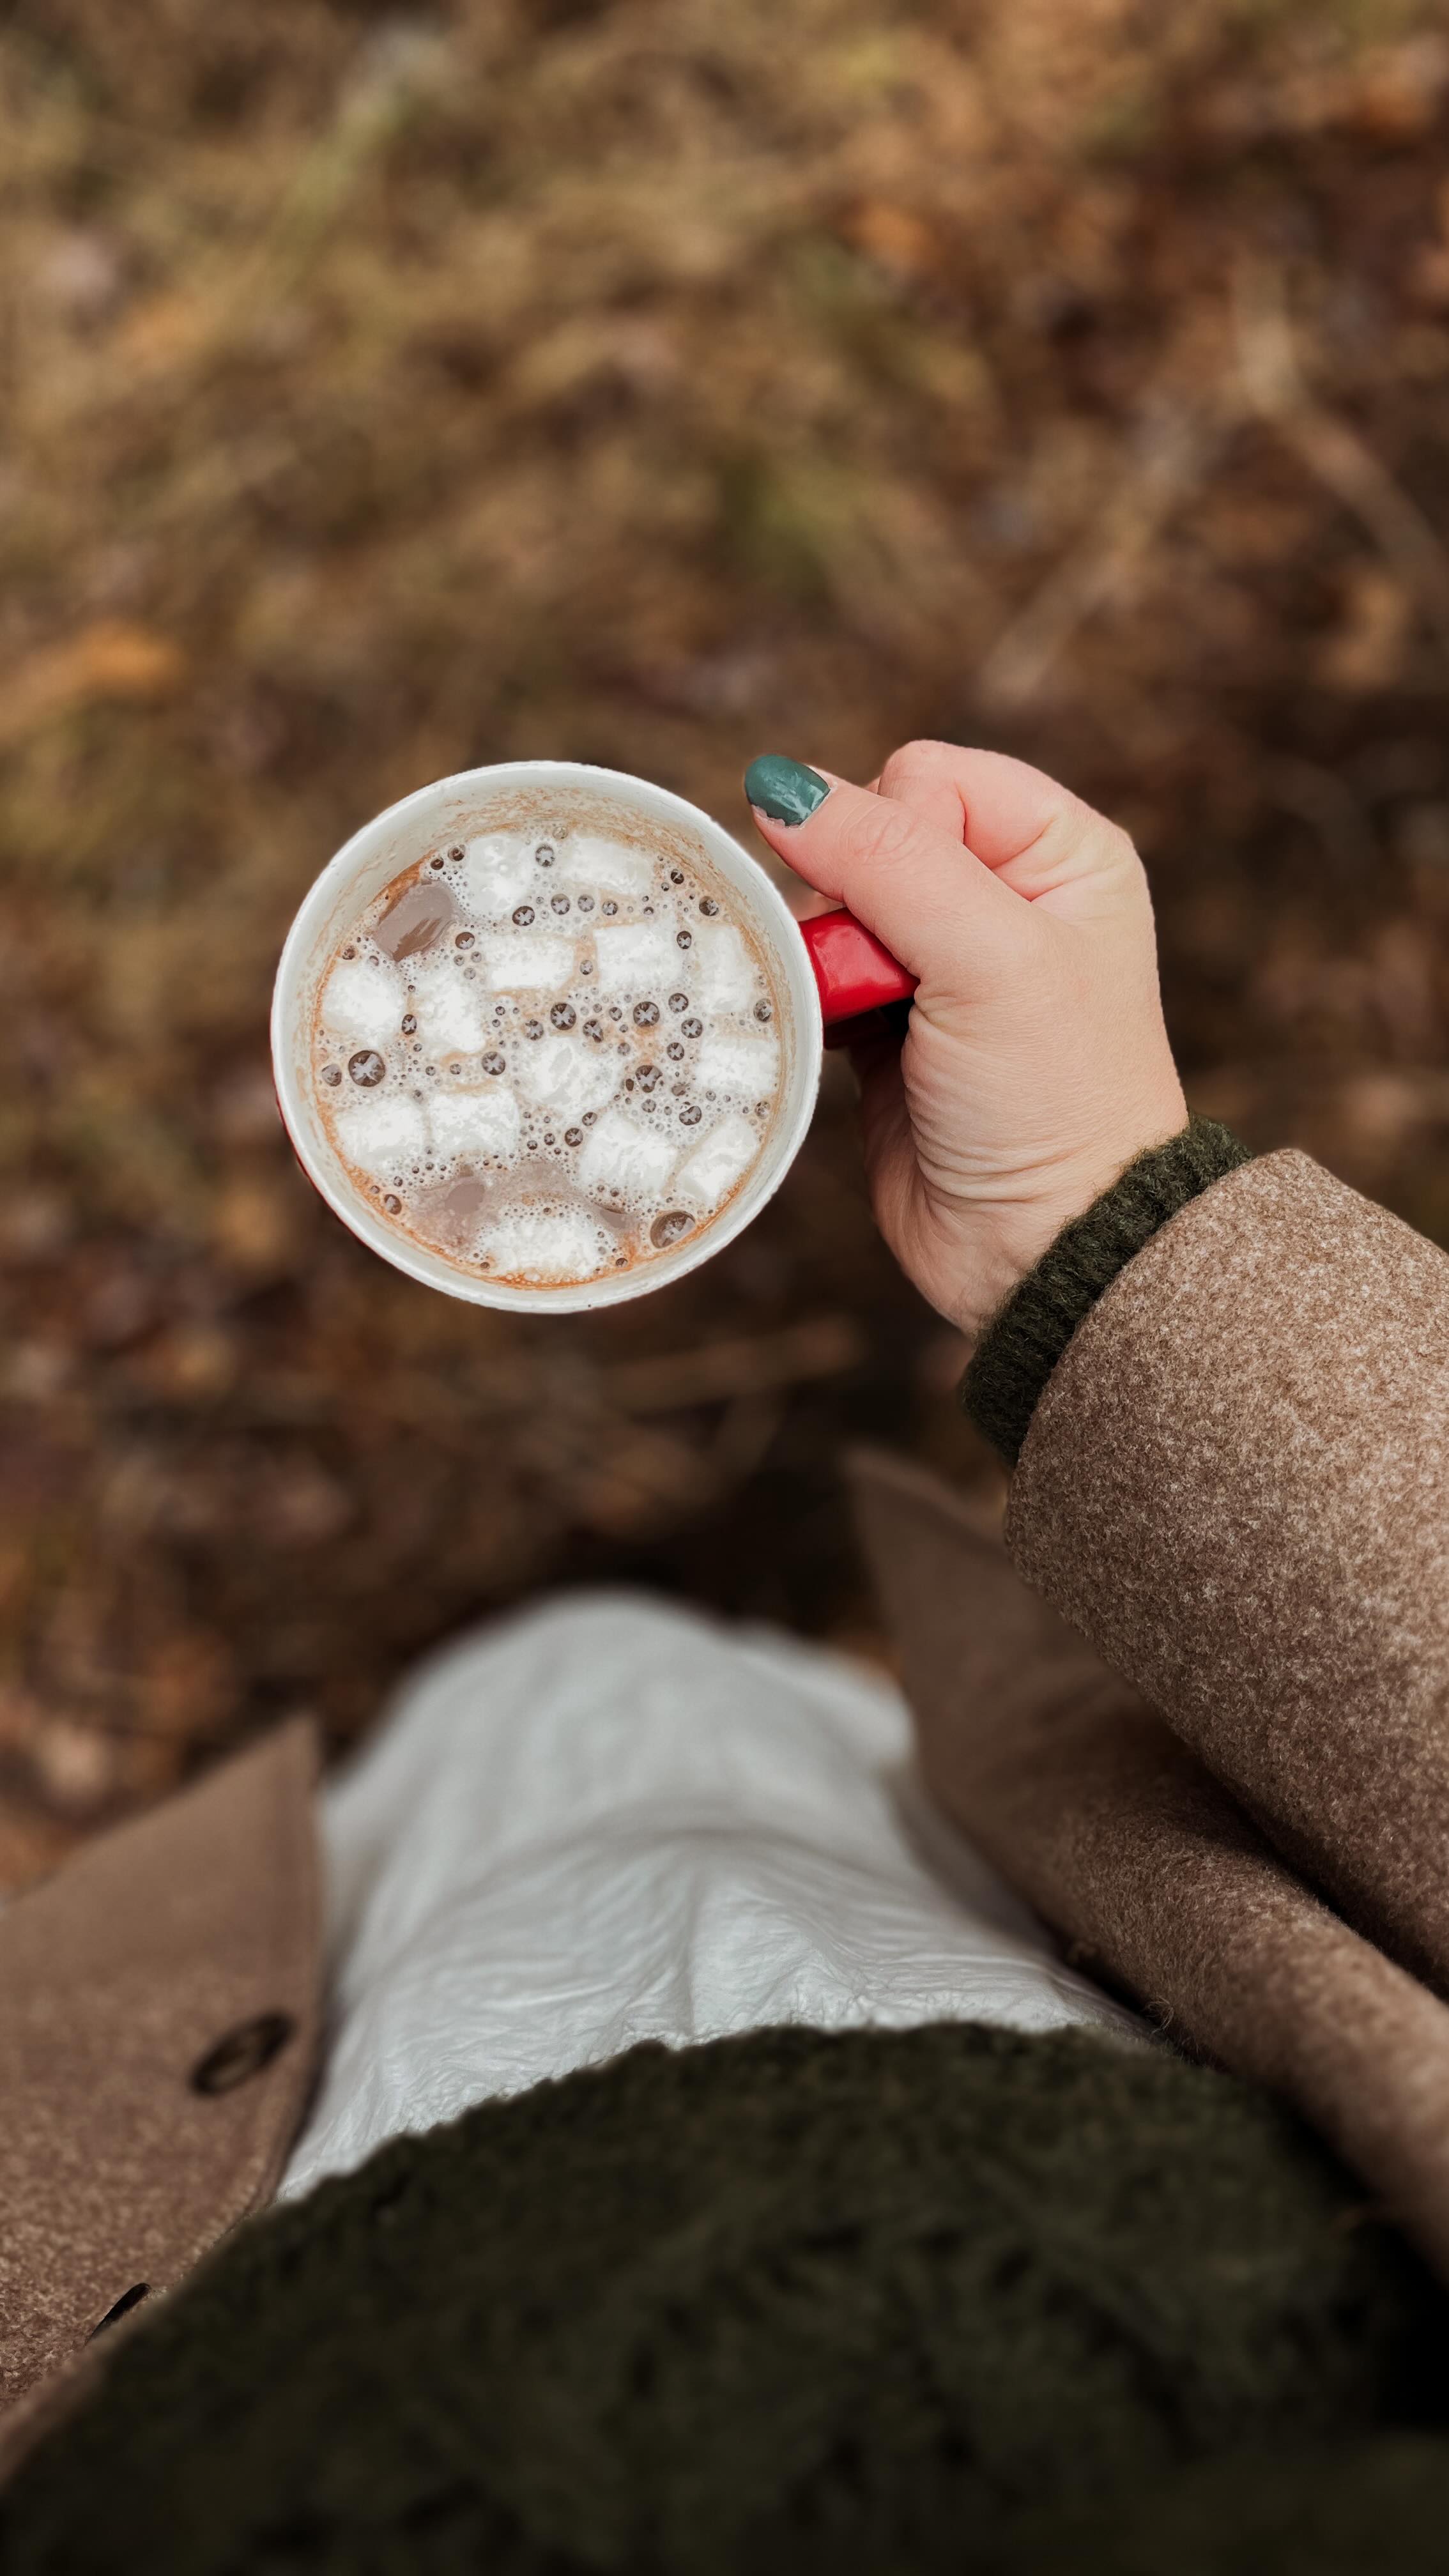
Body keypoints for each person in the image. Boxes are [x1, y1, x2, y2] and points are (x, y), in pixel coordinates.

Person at [6, 742, 1449, 2572]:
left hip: (241, 2272)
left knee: (551, 1697)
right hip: (1106, 2074)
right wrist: (1089, 1218)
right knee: (640, 1696)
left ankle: (551, 1690)